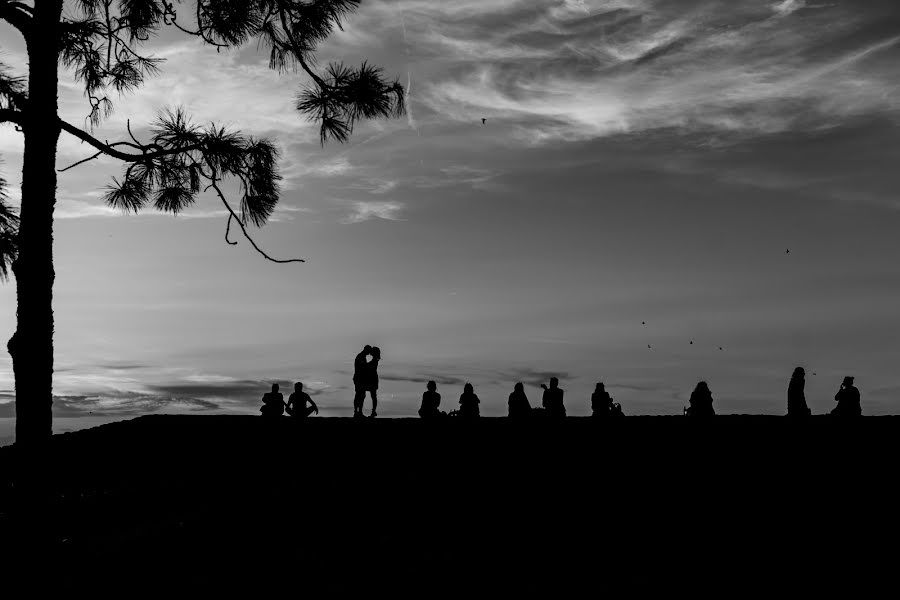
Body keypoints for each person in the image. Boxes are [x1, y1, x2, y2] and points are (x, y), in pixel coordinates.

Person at [352, 345, 373, 418]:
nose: (369, 353)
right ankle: (356, 412)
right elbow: (361, 368)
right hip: (358, 379)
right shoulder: (360, 357)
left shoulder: (362, 357)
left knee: (361, 395)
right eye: (369, 351)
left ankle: (359, 412)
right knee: (359, 395)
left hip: (360, 379)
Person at [364, 346, 381, 418]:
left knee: (373, 396)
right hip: (372, 379)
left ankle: (373, 411)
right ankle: (373, 411)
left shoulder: (375, 361)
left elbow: (369, 367)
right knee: (373, 396)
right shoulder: (375, 360)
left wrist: (365, 365)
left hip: (372, 379)